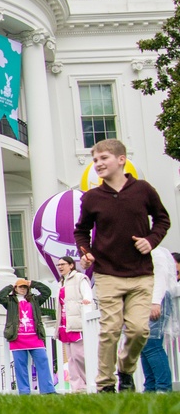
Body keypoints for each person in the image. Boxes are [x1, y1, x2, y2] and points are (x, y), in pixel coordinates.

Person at [73, 138, 171, 392]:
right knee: (110, 330)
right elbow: (81, 230)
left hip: (140, 274)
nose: (98, 163)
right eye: (95, 160)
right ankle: (105, 384)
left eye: (103, 158)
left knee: (139, 331)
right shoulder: (92, 198)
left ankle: (125, 371)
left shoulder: (143, 190)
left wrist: (150, 241)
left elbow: (162, 219)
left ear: (121, 159)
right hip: (107, 274)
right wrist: (86, 252)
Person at [0, 278, 55, 394]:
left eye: (25, 287)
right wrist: (10, 286)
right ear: (16, 288)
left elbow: (47, 292)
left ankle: (48, 390)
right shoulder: (10, 301)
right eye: (20, 287)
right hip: (17, 338)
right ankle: (24, 392)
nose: (23, 289)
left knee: (43, 361)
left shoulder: (34, 300)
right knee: (20, 367)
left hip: (35, 337)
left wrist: (33, 284)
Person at [140, 246, 177, 393]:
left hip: (156, 299)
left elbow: (160, 277)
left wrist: (155, 302)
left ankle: (163, 387)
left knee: (152, 344)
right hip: (145, 298)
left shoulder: (156, 252)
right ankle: (150, 387)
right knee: (143, 346)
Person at [56, 256, 92, 392]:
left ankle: (90, 381)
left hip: (76, 322)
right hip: (65, 323)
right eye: (58, 265)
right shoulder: (61, 283)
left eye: (63, 264)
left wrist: (87, 302)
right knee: (70, 358)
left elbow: (87, 295)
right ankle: (78, 387)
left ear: (71, 265)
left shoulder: (79, 278)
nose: (60, 267)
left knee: (79, 355)